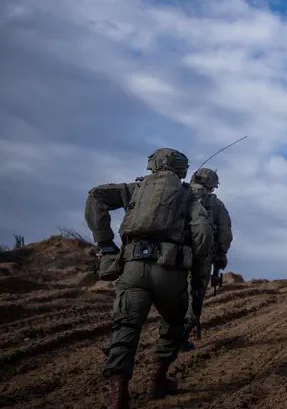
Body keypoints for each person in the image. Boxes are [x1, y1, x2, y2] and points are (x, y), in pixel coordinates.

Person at [85, 148, 214, 408]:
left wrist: (106, 245)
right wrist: (199, 274)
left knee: (125, 326)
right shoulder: (188, 195)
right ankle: (158, 379)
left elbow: (95, 196)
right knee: (175, 324)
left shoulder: (135, 189)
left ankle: (118, 395)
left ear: (153, 165)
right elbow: (202, 231)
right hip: (170, 271)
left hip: (132, 267)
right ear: (183, 169)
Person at [182, 168, 233, 351]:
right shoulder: (215, 204)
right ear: (211, 186)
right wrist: (221, 254)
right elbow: (225, 232)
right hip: (201, 258)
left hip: (173, 253)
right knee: (194, 295)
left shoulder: (179, 194)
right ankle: (182, 336)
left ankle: (167, 335)